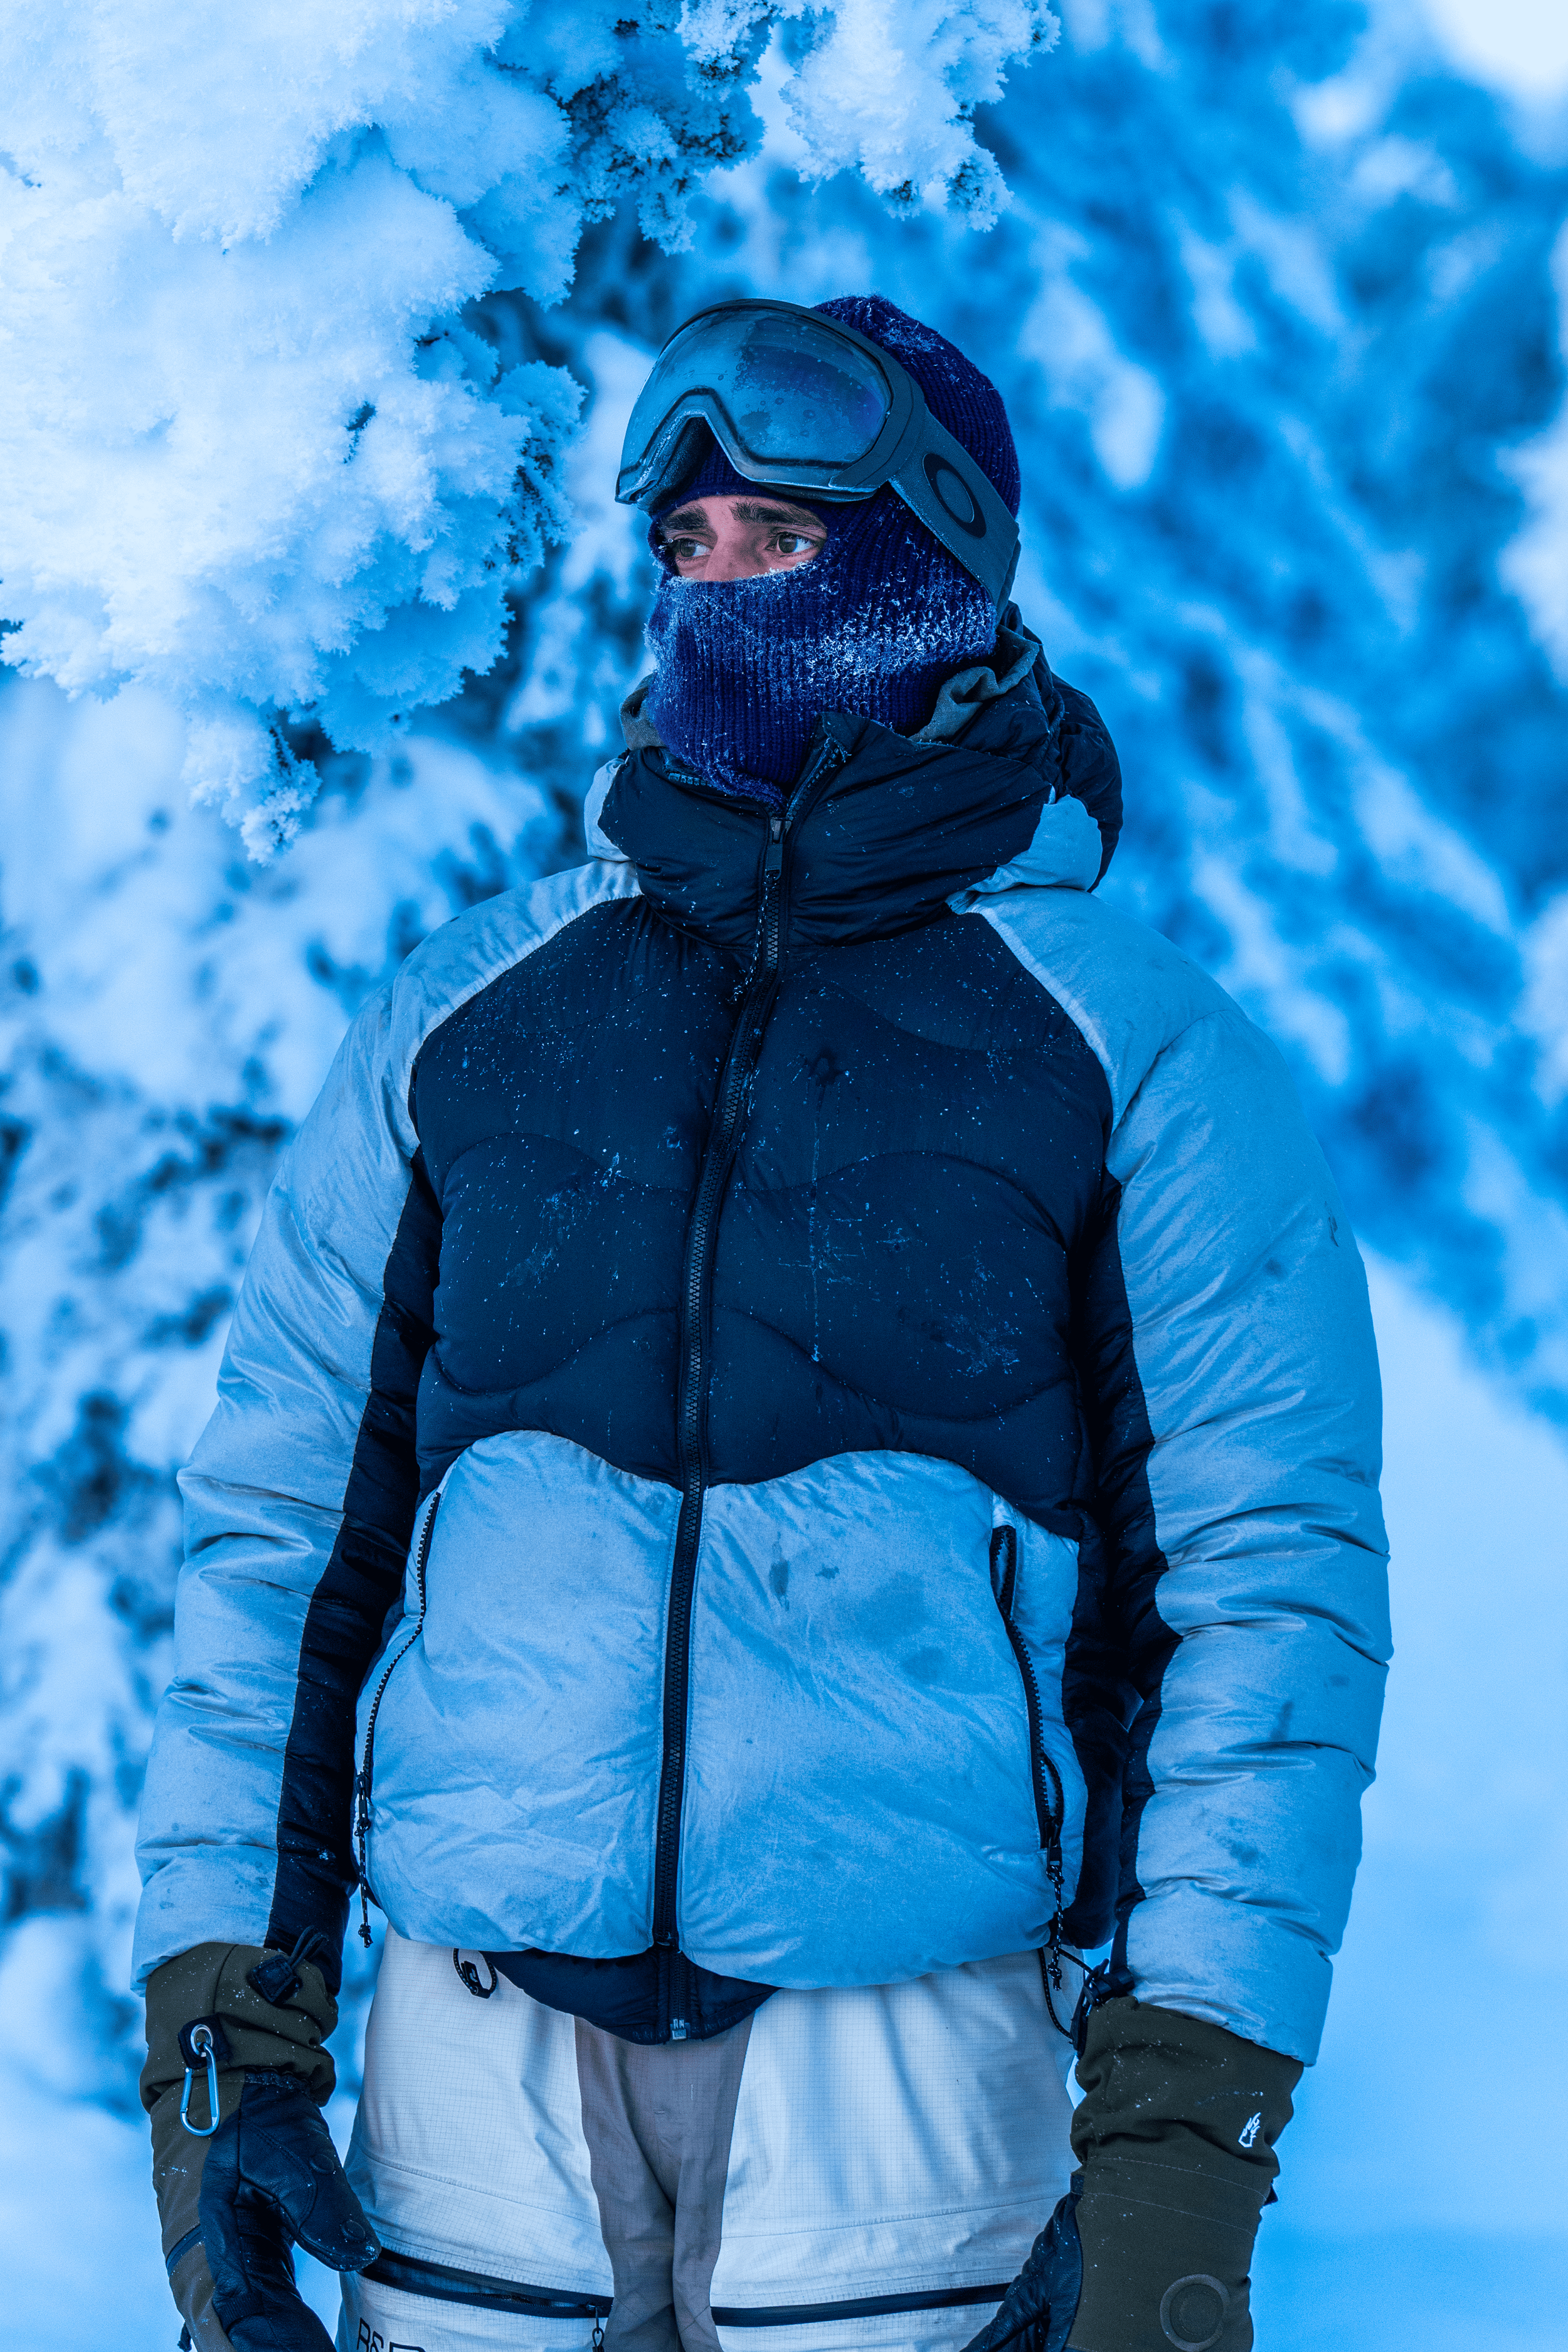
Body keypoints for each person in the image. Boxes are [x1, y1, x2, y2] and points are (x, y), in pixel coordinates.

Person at [134, 295, 1390, 2352]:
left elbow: (1267, 1603)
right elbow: (278, 1544)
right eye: (683, 548)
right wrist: (223, 2045)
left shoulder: (1134, 1048)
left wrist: (1185, 2132)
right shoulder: (473, 1011)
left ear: (931, 560)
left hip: (911, 2077)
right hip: (473, 2073)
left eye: (773, 543)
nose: (709, 590)